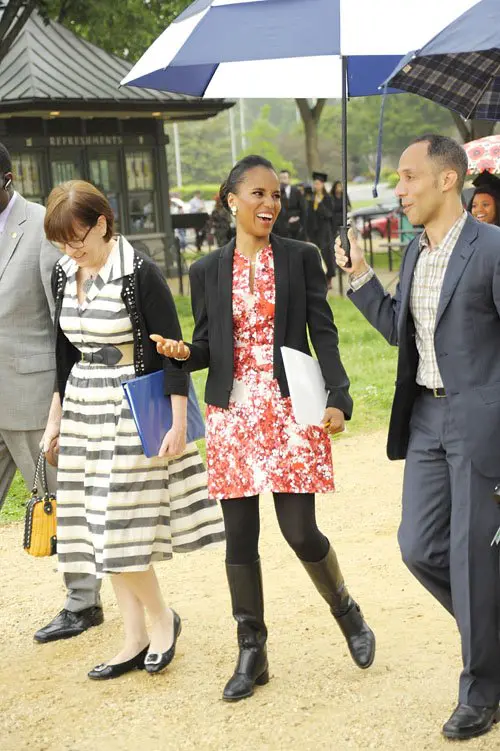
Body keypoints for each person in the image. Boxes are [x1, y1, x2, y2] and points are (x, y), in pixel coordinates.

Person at [152, 155, 375, 702]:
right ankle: (252, 649)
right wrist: (184, 353)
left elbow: (323, 331)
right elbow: (209, 346)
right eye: (258, 193)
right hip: (233, 418)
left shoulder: (301, 257)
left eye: (275, 194)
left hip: (289, 410)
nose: (270, 203)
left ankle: (345, 609)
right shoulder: (207, 270)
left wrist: (339, 395)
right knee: (240, 538)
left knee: (300, 531)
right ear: (232, 200)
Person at [335, 134, 500, 741]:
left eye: (409, 177)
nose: (399, 190)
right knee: (419, 547)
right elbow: (400, 332)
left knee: (473, 556)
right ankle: (492, 636)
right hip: (426, 420)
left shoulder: (492, 248)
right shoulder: (413, 252)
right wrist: (359, 277)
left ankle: (481, 691)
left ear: (447, 179)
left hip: (480, 422)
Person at [42, 180, 224, 680]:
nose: (70, 250)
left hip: (132, 407)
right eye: (61, 243)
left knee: (118, 526)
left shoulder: (139, 272)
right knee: (98, 530)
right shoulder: (63, 272)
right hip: (83, 404)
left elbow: (173, 351)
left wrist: (179, 423)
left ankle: (161, 620)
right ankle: (134, 636)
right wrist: (56, 418)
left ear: (102, 224)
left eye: (77, 239)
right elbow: (63, 353)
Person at [0, 142, 104, 645]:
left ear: (7, 179)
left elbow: (68, 327)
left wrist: (63, 400)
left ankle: (84, 603)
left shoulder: (43, 228)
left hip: (33, 395)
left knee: (58, 499)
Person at [307, 171, 336, 288]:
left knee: (326, 254)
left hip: (325, 230)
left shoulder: (328, 198)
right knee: (315, 254)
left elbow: (329, 214)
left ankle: (329, 279)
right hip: (314, 229)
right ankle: (318, 279)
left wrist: (320, 204)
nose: (316, 186)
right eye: (315, 184)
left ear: (323, 184)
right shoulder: (311, 197)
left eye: (318, 183)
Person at [273, 168, 306, 239]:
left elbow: (303, 209)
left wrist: (298, 218)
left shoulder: (296, 191)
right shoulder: (275, 192)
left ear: (289, 179)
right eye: (281, 178)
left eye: (285, 178)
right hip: (279, 228)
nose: (282, 180)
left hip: (295, 227)